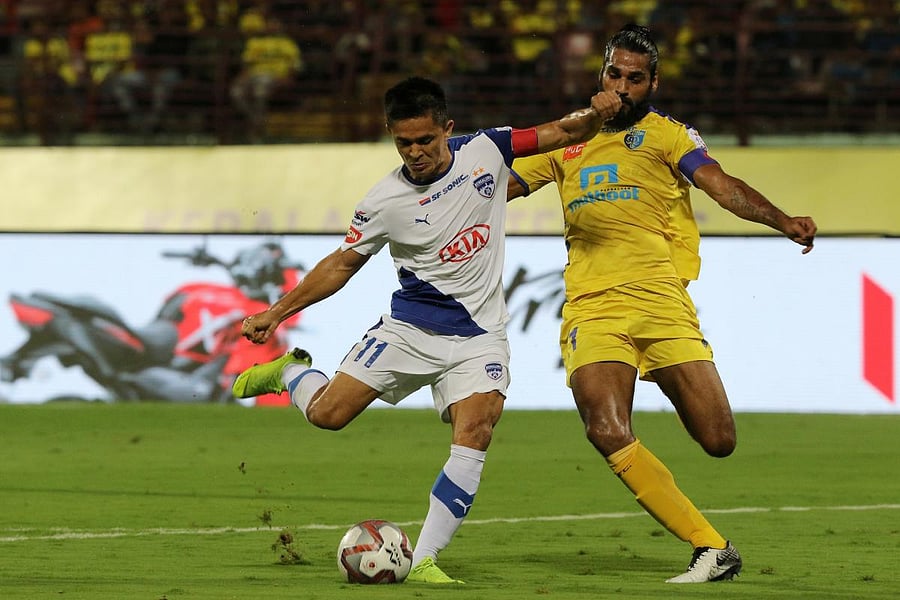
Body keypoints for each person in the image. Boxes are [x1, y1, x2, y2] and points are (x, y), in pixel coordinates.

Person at [232, 76, 622, 583]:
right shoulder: (384, 200)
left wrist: (598, 113)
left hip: (481, 335)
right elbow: (342, 264)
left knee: (476, 431)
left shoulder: (487, 149)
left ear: (447, 129)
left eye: (424, 140)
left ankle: (423, 559)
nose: (414, 152)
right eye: (403, 143)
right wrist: (277, 313)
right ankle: (290, 372)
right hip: (411, 330)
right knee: (328, 415)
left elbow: (560, 133)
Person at [507, 24, 817, 584]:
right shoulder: (567, 138)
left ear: (653, 83)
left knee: (718, 440)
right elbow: (495, 187)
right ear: (601, 74)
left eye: (635, 78)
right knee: (606, 429)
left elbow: (721, 186)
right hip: (593, 307)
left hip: (661, 302)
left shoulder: (669, 136)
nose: (622, 87)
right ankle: (711, 546)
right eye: (614, 74)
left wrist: (782, 220)